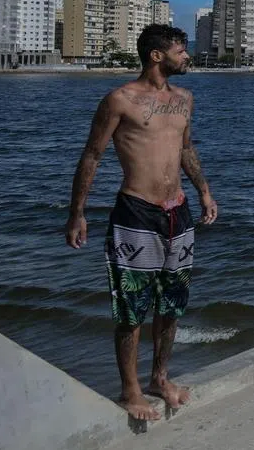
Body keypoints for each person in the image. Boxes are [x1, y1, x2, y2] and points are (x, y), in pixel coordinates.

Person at [64, 24, 218, 420]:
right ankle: (131, 390)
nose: (187, 57)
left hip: (178, 213)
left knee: (172, 304)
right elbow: (92, 156)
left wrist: (203, 190)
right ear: (156, 55)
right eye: (181, 51)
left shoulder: (185, 99)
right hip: (136, 213)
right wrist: (77, 213)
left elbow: (186, 150)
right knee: (131, 309)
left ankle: (159, 378)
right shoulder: (119, 100)